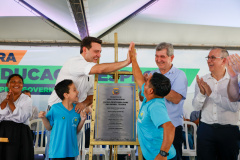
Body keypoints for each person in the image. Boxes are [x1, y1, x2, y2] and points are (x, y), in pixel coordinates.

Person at [45, 36, 133, 159]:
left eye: (100, 52)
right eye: (96, 51)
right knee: (54, 154)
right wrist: (126, 62)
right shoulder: (75, 62)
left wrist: (83, 104)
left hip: (74, 114)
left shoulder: (91, 71)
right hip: (57, 113)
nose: (99, 55)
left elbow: (92, 95)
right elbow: (101, 69)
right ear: (85, 50)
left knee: (72, 152)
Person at [139, 42, 188, 160]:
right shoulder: (152, 74)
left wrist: (157, 87)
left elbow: (176, 99)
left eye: (162, 56)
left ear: (172, 57)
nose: (158, 59)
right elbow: (143, 98)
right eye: (156, 56)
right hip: (153, 130)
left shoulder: (179, 75)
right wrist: (145, 87)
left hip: (172, 128)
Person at [130, 43, 176, 160]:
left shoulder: (155, 106)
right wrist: (133, 59)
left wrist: (162, 154)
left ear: (150, 90)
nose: (143, 83)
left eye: (147, 82)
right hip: (151, 156)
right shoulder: (149, 98)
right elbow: (138, 77)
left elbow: (170, 127)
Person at [192, 47, 240, 160]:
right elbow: (196, 107)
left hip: (229, 132)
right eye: (208, 58)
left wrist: (211, 93)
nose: (208, 61)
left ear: (224, 60)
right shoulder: (202, 80)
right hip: (205, 130)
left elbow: (234, 107)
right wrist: (203, 94)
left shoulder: (235, 80)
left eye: (213, 58)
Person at [39, 79, 87, 160]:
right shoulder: (55, 108)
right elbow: (49, 127)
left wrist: (82, 120)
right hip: (57, 152)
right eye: (74, 90)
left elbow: (76, 130)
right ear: (66, 95)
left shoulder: (77, 110)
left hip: (71, 151)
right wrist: (43, 118)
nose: (78, 92)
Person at [0, 74, 34, 160]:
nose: (16, 84)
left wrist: (11, 103)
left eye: (20, 82)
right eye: (13, 82)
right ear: (7, 84)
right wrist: (5, 101)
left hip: (21, 133)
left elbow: (22, 118)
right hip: (2, 131)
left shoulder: (27, 99)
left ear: (22, 85)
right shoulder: (1, 96)